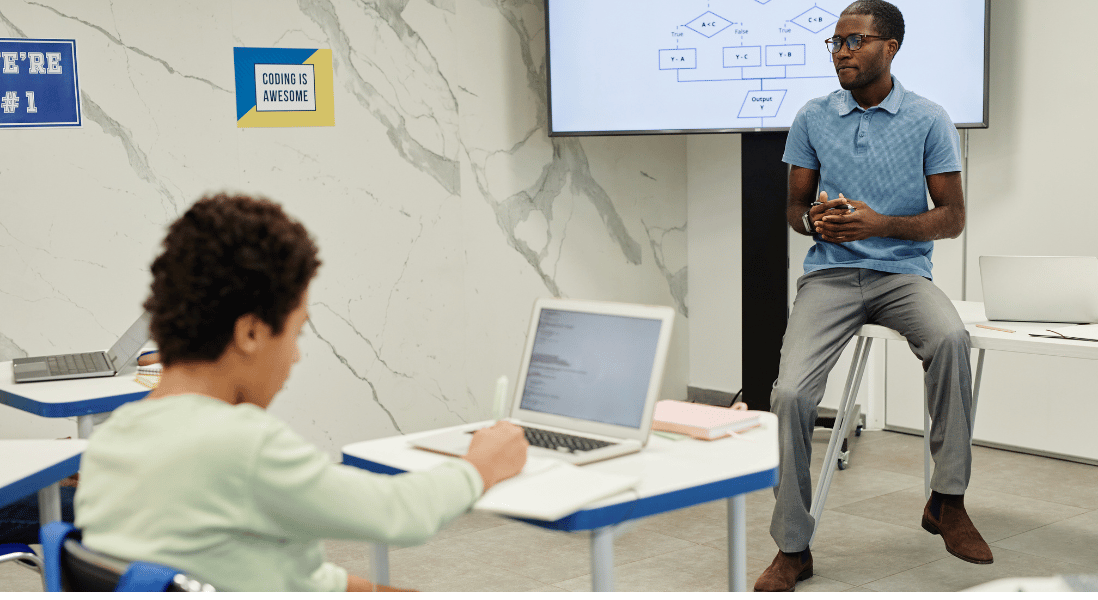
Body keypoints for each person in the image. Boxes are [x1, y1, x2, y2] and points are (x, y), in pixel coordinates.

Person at [74, 194, 529, 592]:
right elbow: (397, 515)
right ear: (251, 332)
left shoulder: (113, 442)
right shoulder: (240, 444)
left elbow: (254, 571)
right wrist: (480, 466)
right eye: (297, 334)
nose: (294, 357)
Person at [754, 1, 991, 592]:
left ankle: (948, 500)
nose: (841, 51)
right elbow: (793, 210)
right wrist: (817, 223)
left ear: (890, 47)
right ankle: (793, 544)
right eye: (834, 42)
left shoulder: (930, 119)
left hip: (903, 276)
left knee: (952, 340)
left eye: (854, 41)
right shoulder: (812, 116)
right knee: (788, 395)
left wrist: (878, 224)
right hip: (830, 278)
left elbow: (952, 219)